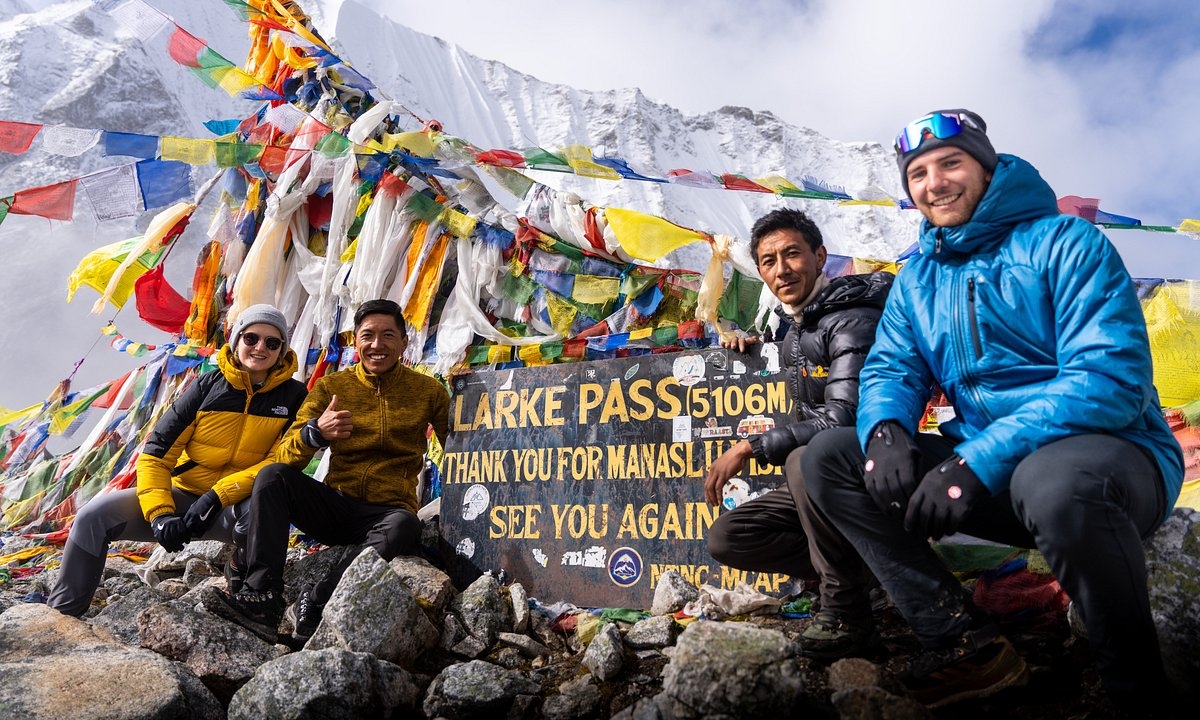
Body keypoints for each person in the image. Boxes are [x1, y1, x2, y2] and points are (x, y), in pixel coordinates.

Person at [800, 109, 1184, 710]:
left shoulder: (1065, 242)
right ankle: (961, 644)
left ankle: (1136, 692)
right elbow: (891, 367)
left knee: (1051, 479)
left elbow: (1110, 379)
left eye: (951, 163)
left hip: (1112, 462)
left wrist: (975, 461)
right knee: (829, 456)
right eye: (919, 173)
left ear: (986, 167)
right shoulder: (917, 277)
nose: (935, 183)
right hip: (986, 475)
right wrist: (885, 429)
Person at [704, 208, 893, 659]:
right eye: (768, 261)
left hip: (872, 473)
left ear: (820, 256)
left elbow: (843, 418)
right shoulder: (797, 326)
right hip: (820, 477)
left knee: (802, 458)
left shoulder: (852, 319)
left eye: (792, 254)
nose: (781, 269)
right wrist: (749, 344)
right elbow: (809, 367)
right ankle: (866, 571)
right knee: (728, 538)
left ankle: (847, 611)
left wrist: (750, 446)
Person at [210, 298, 450, 643]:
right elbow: (285, 453)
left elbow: (455, 447)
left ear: (403, 342)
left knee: (404, 524)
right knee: (272, 477)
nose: (377, 345)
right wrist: (314, 433)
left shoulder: (428, 391)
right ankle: (261, 596)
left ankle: (317, 598)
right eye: (368, 336)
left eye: (387, 336)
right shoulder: (331, 387)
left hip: (385, 514)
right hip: (334, 506)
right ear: (355, 341)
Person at [47, 305, 307, 616]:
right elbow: (156, 454)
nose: (260, 348)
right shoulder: (205, 387)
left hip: (237, 506)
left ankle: (246, 591)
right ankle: (62, 614)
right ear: (236, 340)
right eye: (251, 338)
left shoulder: (295, 397)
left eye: (272, 342)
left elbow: (281, 461)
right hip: (183, 500)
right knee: (93, 516)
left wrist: (216, 497)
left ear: (282, 350)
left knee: (266, 508)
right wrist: (160, 515)